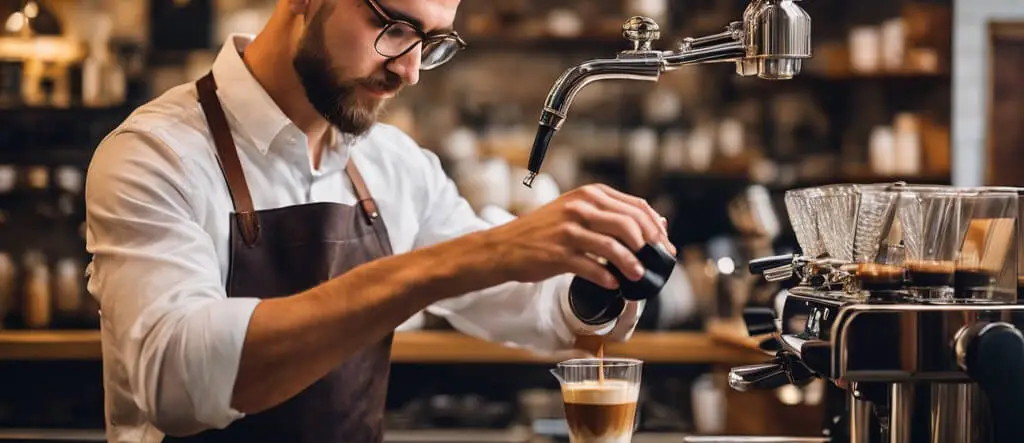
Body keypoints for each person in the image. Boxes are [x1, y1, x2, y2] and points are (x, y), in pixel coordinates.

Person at [83, 0, 691, 441]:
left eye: (432, 41)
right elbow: (176, 381)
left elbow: (527, 305)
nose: (411, 70)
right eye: (392, 27)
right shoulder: (154, 154)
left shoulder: (393, 162)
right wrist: (463, 259)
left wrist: (599, 274)